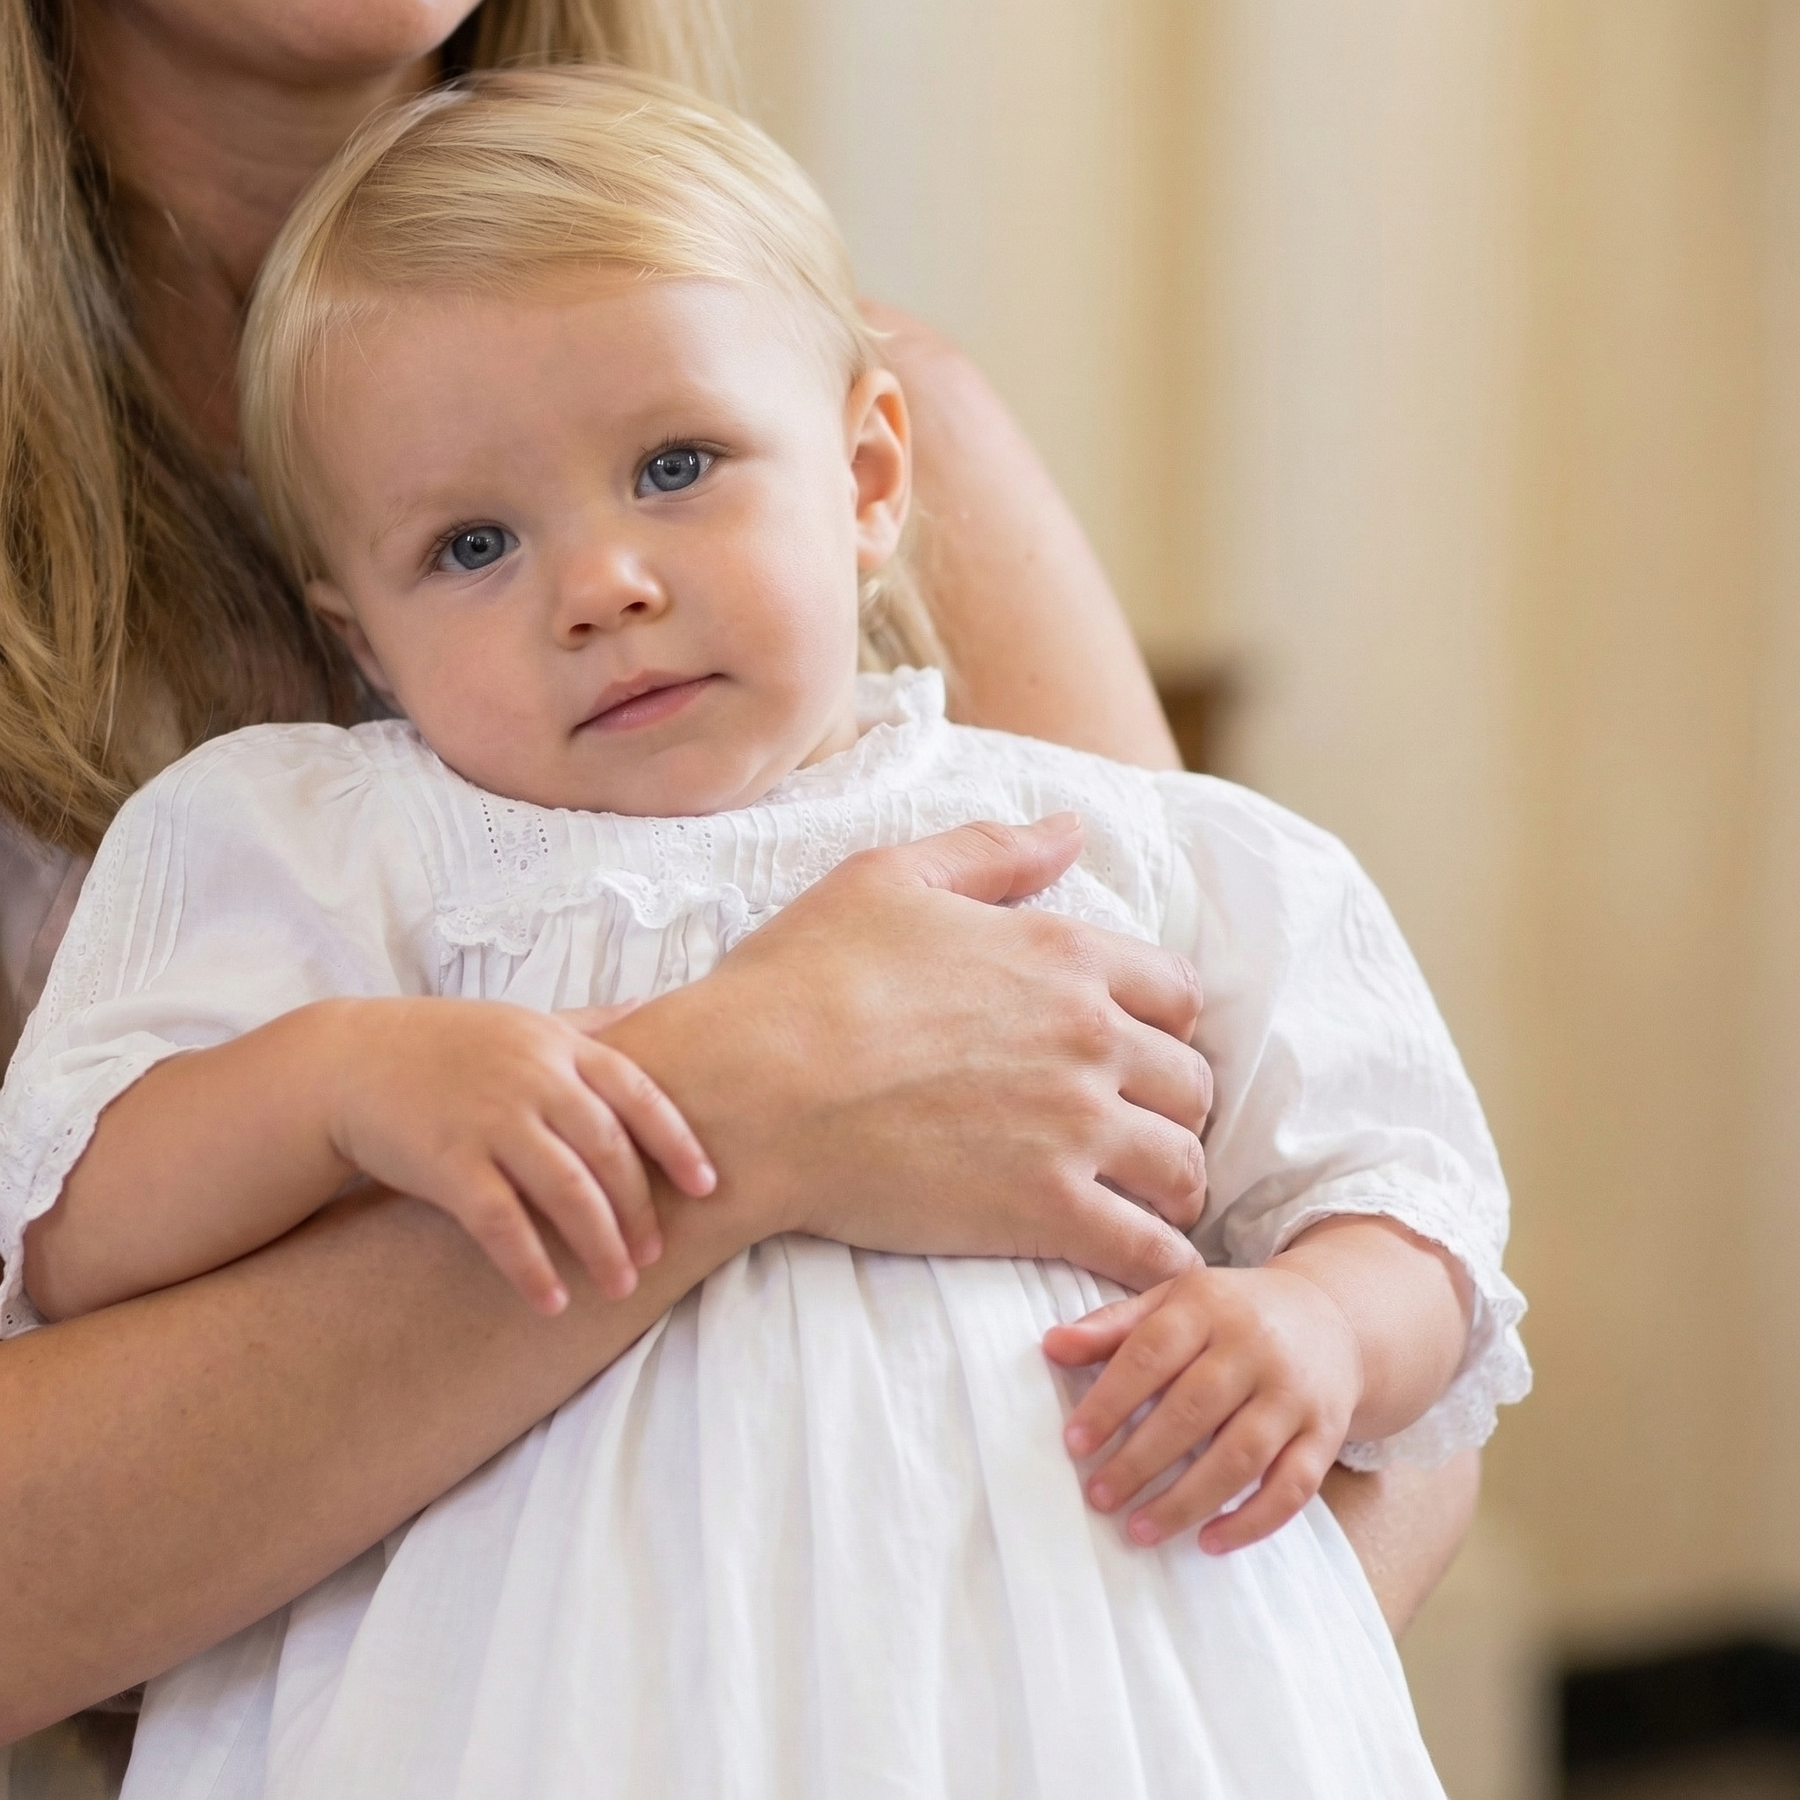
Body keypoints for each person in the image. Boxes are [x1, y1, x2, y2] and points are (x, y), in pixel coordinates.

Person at [1, 67, 1528, 1797]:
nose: (602, 585)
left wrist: (1321, 1327)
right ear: (360, 638)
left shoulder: (1113, 843)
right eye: (473, 545)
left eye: (676, 467)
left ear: (870, 477)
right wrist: (333, 1085)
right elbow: (73, 1221)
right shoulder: (326, 850)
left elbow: (1409, 1205)